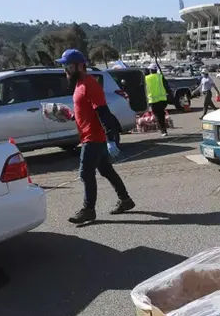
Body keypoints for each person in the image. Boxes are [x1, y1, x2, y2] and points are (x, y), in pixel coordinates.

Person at [55, 48, 135, 225]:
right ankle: (125, 200)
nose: (65, 71)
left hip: (94, 137)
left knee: (85, 173)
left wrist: (110, 139)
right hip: (89, 135)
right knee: (106, 170)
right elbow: (86, 111)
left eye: (68, 66)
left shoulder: (90, 84)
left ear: (80, 66)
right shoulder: (79, 83)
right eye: (64, 67)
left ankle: (88, 209)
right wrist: (69, 116)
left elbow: (103, 113)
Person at [144, 65, 171, 137]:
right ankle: (163, 129)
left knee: (157, 116)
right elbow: (166, 86)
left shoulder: (146, 78)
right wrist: (169, 93)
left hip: (153, 100)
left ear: (150, 70)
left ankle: (163, 130)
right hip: (162, 100)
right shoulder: (160, 76)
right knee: (161, 115)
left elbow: (143, 89)